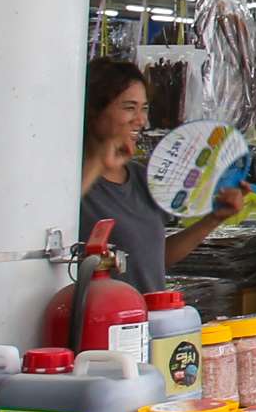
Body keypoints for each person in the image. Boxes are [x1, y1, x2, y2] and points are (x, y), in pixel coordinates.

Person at [80, 57, 245, 297]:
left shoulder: (142, 178)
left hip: (147, 321)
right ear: (94, 111)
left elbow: (155, 258)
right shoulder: (73, 181)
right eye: (129, 107)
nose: (141, 120)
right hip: (99, 324)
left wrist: (213, 219)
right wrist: (98, 163)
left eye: (144, 108)